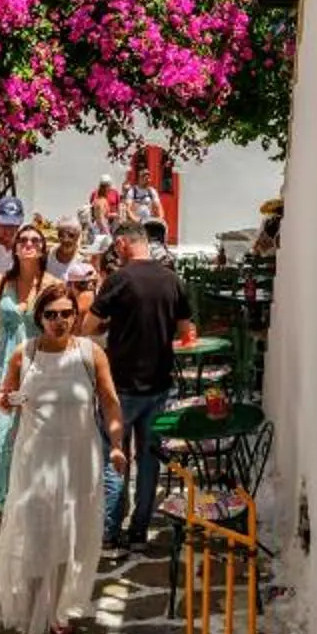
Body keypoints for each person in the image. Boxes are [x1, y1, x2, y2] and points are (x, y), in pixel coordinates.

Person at [0, 281, 126, 634]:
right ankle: (32, 618)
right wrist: (8, 400)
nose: (59, 321)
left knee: (67, 538)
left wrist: (117, 444)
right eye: (51, 314)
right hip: (35, 461)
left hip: (79, 460)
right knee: (35, 539)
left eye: (66, 314)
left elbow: (109, 403)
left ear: (76, 316)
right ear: (39, 318)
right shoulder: (23, 354)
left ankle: (58, 612)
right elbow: (2, 400)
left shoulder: (90, 354)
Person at [91, 223, 192, 551]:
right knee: (149, 460)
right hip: (160, 385)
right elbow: (185, 331)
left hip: (120, 386)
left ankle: (110, 530)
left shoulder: (119, 280)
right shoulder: (173, 281)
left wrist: (113, 324)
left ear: (122, 243)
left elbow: (88, 325)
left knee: (114, 456)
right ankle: (139, 530)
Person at [0, 224, 53, 519]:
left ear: (43, 248)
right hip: (5, 370)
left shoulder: (53, 285)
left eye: (35, 240)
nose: (29, 244)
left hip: (40, 370)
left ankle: (32, 501)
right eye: (23, 240)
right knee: (2, 437)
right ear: (15, 248)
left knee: (35, 437)